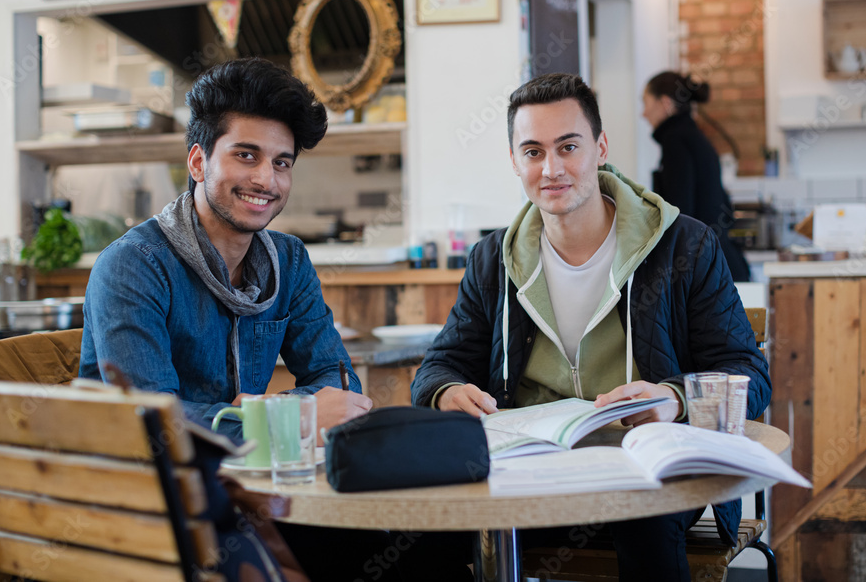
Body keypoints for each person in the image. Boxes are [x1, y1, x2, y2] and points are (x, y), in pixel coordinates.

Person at [80, 58, 469, 582]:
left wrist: (265, 413)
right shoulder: (132, 266)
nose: (266, 179)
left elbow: (337, 379)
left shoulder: (286, 260)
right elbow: (156, 423)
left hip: (254, 493)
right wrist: (290, 418)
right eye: (247, 155)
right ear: (198, 162)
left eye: (282, 162)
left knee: (432, 545)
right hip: (154, 511)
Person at [411, 73, 771, 581]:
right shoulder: (493, 259)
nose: (551, 168)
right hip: (534, 470)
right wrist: (446, 391)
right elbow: (439, 366)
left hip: (644, 470)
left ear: (600, 148)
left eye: (569, 147)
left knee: (644, 523)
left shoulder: (685, 246)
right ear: (514, 161)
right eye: (533, 151)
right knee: (421, 531)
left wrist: (676, 399)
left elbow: (747, 371)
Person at [642, 71, 750, 281]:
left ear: (665, 103)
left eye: (646, 103)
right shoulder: (694, 137)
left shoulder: (676, 142)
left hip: (706, 271)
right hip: (723, 263)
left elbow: (680, 215)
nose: (643, 113)